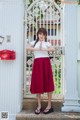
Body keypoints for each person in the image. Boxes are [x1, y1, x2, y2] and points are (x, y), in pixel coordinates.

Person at [27, 28, 55, 114]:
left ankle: (49, 105)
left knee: (48, 83)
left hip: (46, 63)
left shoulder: (47, 43)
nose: (41, 36)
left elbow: (52, 49)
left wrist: (44, 49)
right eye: (40, 34)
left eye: (43, 34)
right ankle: (39, 105)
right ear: (38, 35)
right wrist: (37, 49)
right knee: (38, 83)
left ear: (45, 35)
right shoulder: (33, 43)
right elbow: (27, 48)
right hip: (37, 63)